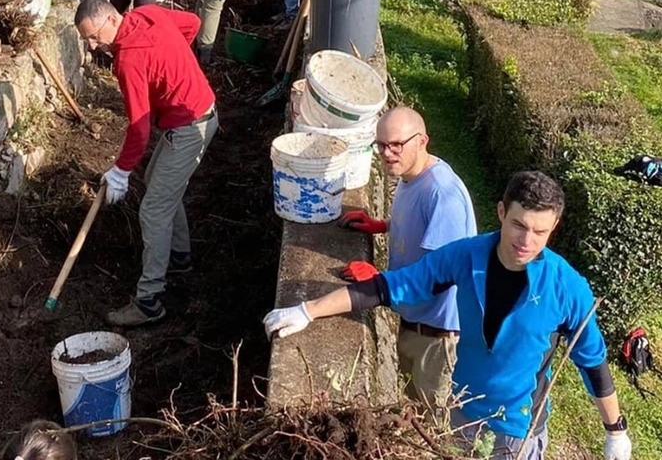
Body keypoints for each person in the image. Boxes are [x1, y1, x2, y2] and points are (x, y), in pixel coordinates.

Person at [263, 171, 633, 460]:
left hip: (519, 428)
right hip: (461, 410)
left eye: (540, 232)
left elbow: (593, 363)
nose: (527, 241)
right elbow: (387, 287)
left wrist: (615, 430)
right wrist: (307, 310)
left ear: (554, 228)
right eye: (519, 225)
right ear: (502, 212)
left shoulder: (567, 288)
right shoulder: (466, 257)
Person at [74, 0, 218, 327]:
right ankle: (179, 257)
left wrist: (121, 171)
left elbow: (139, 127)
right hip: (198, 112)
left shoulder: (128, 60)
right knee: (159, 185)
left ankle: (149, 300)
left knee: (153, 209)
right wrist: (171, 65)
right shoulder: (147, 14)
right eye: (87, 42)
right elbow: (192, 24)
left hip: (189, 126)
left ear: (111, 20)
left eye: (94, 36)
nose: (94, 46)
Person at [336, 107, 476, 416]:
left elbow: (439, 277)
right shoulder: (412, 175)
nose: (388, 153)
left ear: (422, 140)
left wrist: (379, 282)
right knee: (412, 408)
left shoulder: (443, 195)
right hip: (416, 322)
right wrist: (382, 224)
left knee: (431, 427)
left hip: (438, 337)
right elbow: (419, 224)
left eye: (397, 144)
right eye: (382, 145)